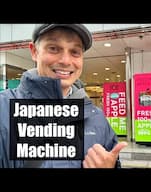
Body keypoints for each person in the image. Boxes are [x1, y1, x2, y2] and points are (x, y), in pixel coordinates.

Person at [0, 24, 128, 168]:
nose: (66, 61)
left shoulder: (97, 118)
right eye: (54, 48)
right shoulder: (3, 109)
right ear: (34, 51)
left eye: (75, 51)